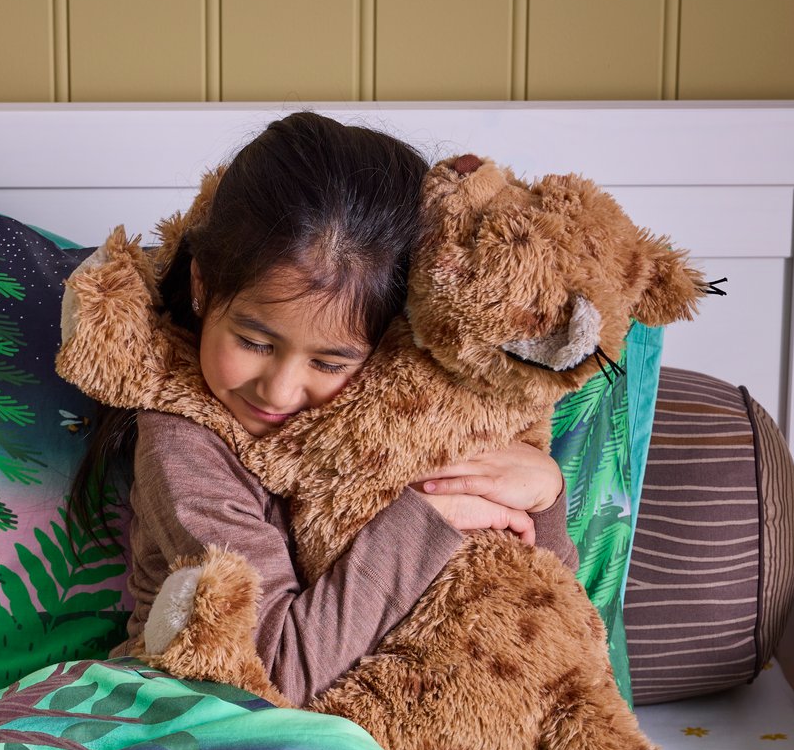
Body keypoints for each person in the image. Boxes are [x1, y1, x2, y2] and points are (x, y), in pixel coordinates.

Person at [70, 111, 576, 707]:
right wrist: (428, 521)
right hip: (203, 726)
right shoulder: (183, 439)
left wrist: (544, 499)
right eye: (255, 342)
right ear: (204, 287)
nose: (280, 391)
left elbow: (545, 615)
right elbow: (272, 672)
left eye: (331, 363)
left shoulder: (411, 414)